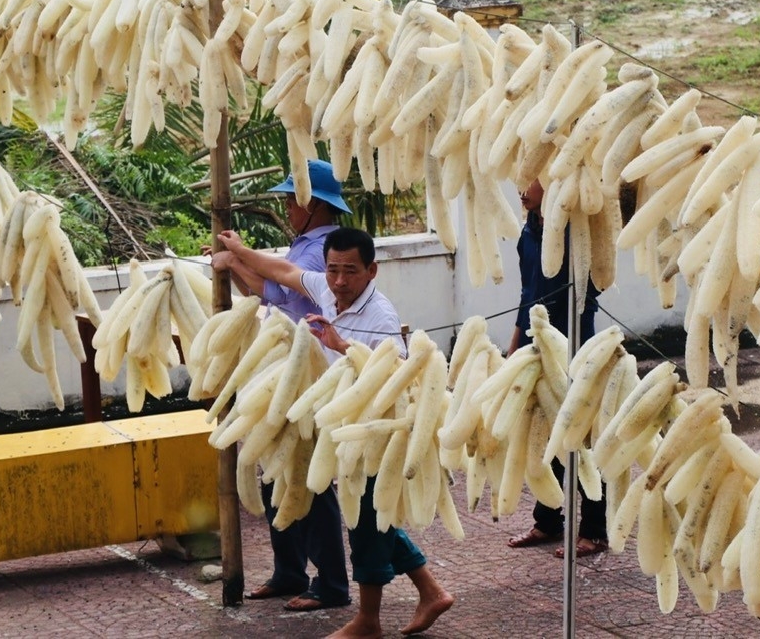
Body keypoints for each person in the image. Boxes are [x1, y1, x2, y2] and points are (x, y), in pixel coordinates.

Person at [213, 227, 455, 639]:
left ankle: (368, 621)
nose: (339, 281)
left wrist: (342, 346)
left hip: (375, 434)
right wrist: (238, 252)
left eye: (350, 272)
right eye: (332, 271)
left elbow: (395, 378)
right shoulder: (327, 290)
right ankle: (430, 592)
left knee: (366, 524)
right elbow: (286, 272)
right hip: (342, 429)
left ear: (371, 271)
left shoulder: (381, 316)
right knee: (368, 517)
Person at [226, 159, 352, 613]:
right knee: (277, 469)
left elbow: (279, 286)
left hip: (311, 373)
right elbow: (267, 294)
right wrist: (233, 263)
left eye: (290, 199)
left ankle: (332, 582)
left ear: (311, 203)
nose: (285, 206)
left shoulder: (323, 249)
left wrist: (238, 254)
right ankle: (289, 570)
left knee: (309, 477)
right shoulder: (306, 243)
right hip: (286, 370)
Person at [506, 179, 607, 558]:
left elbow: (592, 287)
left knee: (581, 434)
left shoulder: (575, 232)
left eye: (530, 178)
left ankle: (595, 528)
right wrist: (516, 344)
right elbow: (526, 296)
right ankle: (548, 520)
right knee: (546, 433)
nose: (520, 186)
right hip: (540, 347)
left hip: (577, 345)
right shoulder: (528, 234)